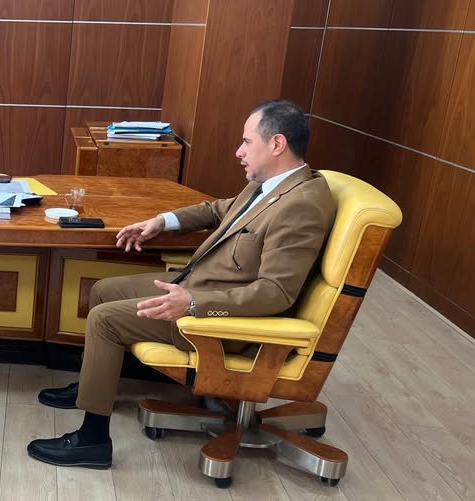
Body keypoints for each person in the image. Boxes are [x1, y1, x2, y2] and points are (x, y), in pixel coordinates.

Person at [26, 99, 337, 469]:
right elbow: (218, 210)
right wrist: (162, 221)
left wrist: (192, 303)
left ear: (277, 144)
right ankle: (92, 383)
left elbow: (276, 293)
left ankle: (92, 440)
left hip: (224, 321)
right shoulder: (271, 185)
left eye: (246, 142)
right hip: (200, 287)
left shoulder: (301, 205)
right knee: (103, 290)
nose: (238, 152)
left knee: (105, 320)